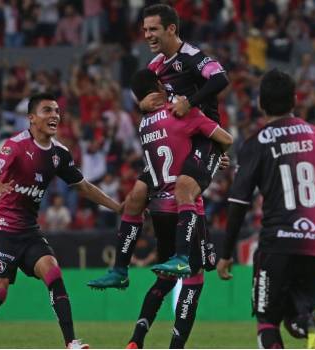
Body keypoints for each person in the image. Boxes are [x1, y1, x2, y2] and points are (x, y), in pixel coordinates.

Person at [0, 93, 122, 349]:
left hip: (28, 229)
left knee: (53, 271)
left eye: (57, 111)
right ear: (32, 118)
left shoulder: (59, 153)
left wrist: (118, 207)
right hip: (1, 226)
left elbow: (83, 187)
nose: (55, 116)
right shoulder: (15, 145)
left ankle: (71, 342)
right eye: (47, 110)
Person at [216, 70, 315, 349]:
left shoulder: (257, 143)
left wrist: (226, 253)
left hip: (277, 243)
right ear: (295, 100)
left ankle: (310, 325)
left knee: (267, 321)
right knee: (299, 318)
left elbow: (238, 203)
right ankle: (313, 324)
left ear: (260, 103)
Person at [88, 4, 229, 288]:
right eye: (144, 30)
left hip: (205, 139)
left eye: (153, 29)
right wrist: (141, 104)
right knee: (137, 195)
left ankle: (182, 257)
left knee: (185, 188)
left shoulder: (192, 56)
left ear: (171, 29)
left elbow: (220, 79)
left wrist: (190, 102)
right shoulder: (155, 66)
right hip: (177, 141)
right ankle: (119, 270)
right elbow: (144, 98)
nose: (147, 35)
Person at [116, 69, 232, 349]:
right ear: (159, 86)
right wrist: (214, 155)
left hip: (159, 209)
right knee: (195, 278)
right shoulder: (182, 112)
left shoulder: (145, 123)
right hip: (186, 210)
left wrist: (210, 160)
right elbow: (225, 139)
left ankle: (136, 339)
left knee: (167, 278)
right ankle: (176, 347)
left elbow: (174, 146)